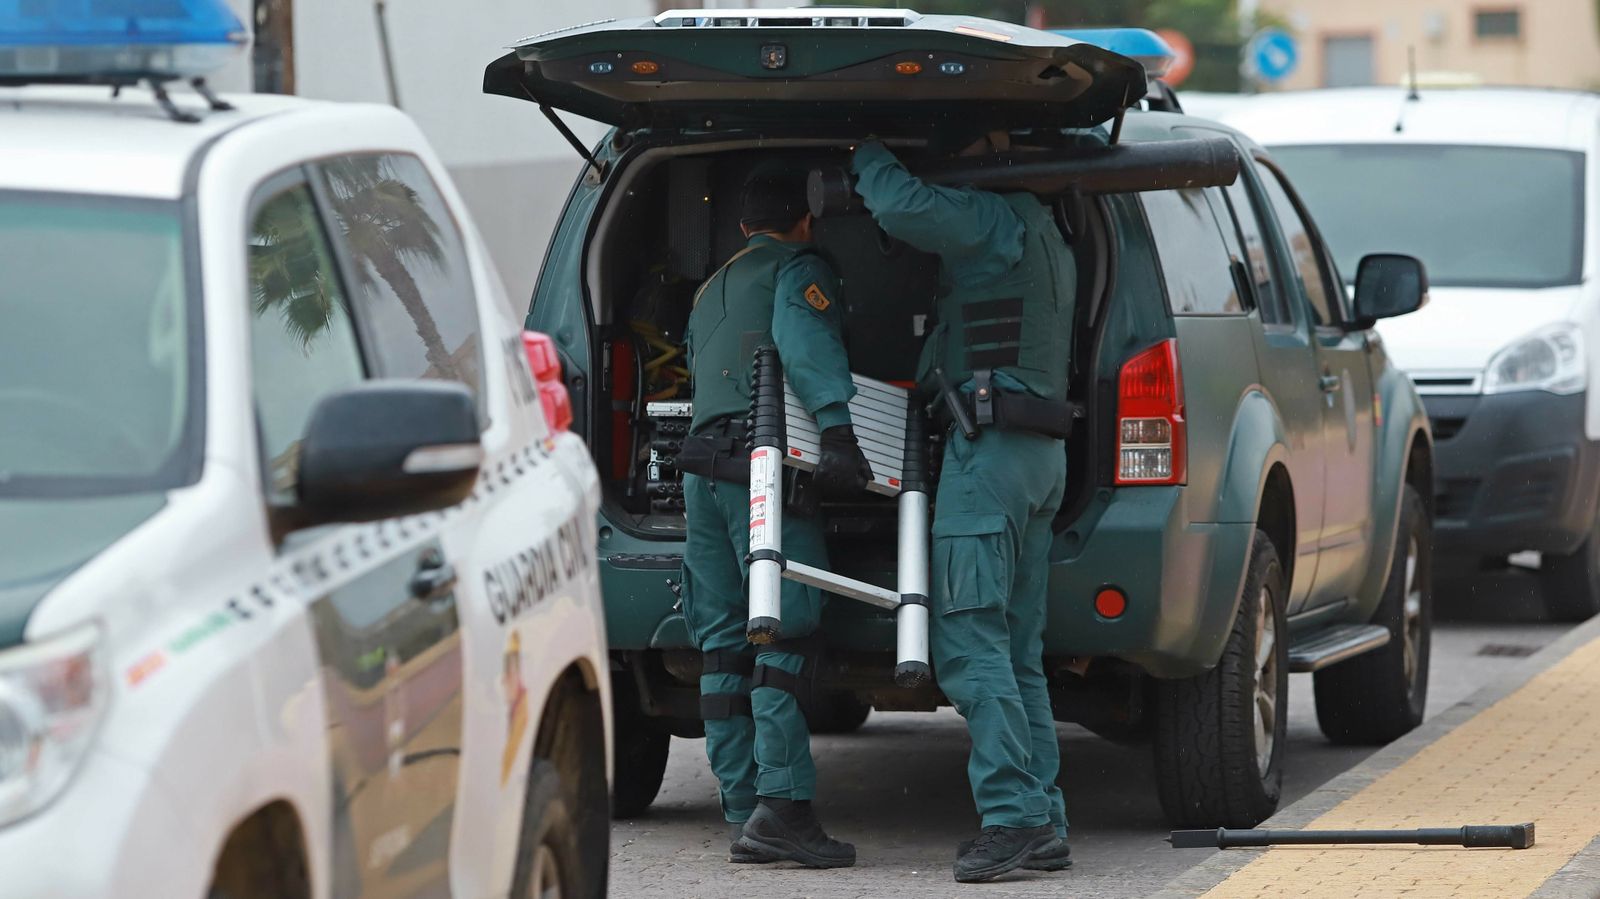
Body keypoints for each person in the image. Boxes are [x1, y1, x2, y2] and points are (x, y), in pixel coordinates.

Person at [850, 137, 1078, 883]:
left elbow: (895, 204)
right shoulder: (1052, 236)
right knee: (1016, 652)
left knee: (968, 641)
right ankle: (1041, 820)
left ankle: (1011, 820)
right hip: (1036, 456)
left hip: (990, 461)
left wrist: (869, 155)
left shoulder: (993, 221)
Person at [677, 161, 870, 868]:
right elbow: (802, 338)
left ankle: (743, 809)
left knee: (724, 643)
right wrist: (838, 428)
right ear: (806, 219)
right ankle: (784, 805)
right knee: (785, 631)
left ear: (740, 227)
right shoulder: (799, 266)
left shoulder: (710, 287)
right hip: (761, 474)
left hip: (702, 472)